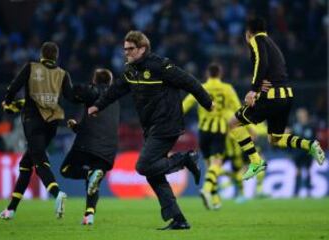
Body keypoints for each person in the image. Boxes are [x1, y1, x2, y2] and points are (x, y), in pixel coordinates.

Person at [88, 30, 213, 230]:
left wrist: (207, 103)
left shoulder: (160, 66)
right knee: (153, 174)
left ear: (143, 48)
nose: (126, 52)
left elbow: (190, 82)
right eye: (125, 49)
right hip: (151, 126)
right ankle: (178, 219)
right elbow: (116, 89)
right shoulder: (130, 70)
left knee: (143, 166)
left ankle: (185, 159)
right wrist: (98, 106)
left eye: (130, 49)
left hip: (167, 123)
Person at [228, 17, 325, 181]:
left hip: (272, 97)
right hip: (286, 96)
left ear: (248, 33)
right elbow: (275, 69)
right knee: (275, 139)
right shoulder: (272, 44)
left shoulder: (256, 40)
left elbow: (262, 63)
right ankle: (309, 145)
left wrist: (253, 89)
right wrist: (262, 84)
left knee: (233, 123)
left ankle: (256, 161)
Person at [0, 42, 76, 220]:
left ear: (41, 54)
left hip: (32, 121)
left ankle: (57, 194)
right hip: (52, 124)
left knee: (39, 160)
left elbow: (14, 86)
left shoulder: (31, 67)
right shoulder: (63, 74)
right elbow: (71, 96)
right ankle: (11, 210)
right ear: (56, 56)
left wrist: (8, 102)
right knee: (26, 165)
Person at [60, 68, 119, 225]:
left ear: (95, 81)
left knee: (65, 170)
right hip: (109, 149)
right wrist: (77, 127)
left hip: (87, 144)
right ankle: (89, 215)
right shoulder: (115, 100)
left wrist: (63, 78)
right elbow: (100, 125)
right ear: (110, 82)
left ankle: (88, 175)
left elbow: (73, 94)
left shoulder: (94, 91)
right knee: (94, 181)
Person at [182, 63, 241, 210]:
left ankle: (215, 201)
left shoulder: (200, 87)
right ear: (220, 74)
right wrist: (250, 128)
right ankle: (207, 190)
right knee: (217, 163)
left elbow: (185, 105)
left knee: (210, 167)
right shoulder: (227, 89)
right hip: (219, 131)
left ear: (207, 74)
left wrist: (171, 120)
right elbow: (238, 109)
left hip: (202, 131)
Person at [290, 108, 316, 197]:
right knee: (298, 171)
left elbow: (313, 140)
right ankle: (296, 192)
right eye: (299, 115)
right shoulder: (295, 126)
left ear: (306, 116)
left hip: (308, 153)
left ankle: (309, 192)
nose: (300, 117)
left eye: (302, 115)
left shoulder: (311, 126)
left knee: (308, 171)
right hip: (297, 153)